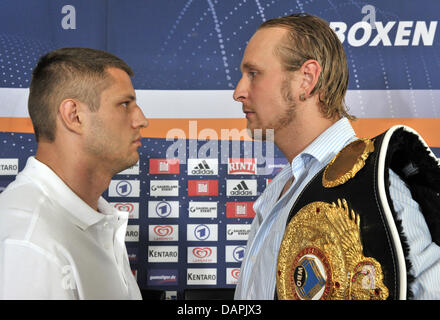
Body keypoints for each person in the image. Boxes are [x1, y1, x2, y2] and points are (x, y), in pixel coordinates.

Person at [233, 13, 440, 300]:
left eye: (253, 74)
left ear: (306, 79)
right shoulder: (280, 189)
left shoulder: (377, 186)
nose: (238, 92)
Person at [0, 48, 148, 299]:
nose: (141, 120)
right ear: (74, 116)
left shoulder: (94, 218)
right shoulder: (31, 244)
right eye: (124, 104)